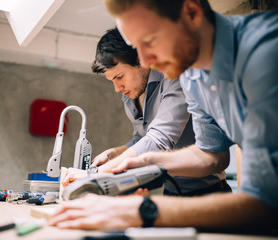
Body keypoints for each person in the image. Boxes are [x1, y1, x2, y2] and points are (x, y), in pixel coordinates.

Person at [49, 0, 278, 231]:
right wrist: (146, 161)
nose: (147, 62)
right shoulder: (192, 76)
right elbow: (211, 155)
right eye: (137, 47)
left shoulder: (266, 52)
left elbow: (267, 202)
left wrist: (144, 209)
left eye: (149, 40)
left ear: (191, 12)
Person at [62, 28, 231, 196]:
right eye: (112, 80)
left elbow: (159, 140)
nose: (117, 88)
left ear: (141, 59)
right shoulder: (130, 94)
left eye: (119, 77)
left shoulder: (174, 77)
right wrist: (115, 152)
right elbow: (142, 138)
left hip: (210, 192)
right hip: (172, 192)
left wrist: (93, 176)